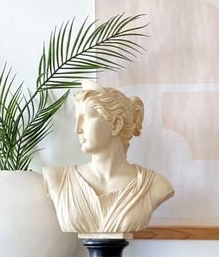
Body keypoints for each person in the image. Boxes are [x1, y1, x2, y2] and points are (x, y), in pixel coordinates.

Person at [42, 83, 174, 234]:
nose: (77, 129)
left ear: (116, 124)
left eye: (86, 118)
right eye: (77, 119)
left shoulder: (156, 185)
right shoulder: (57, 179)